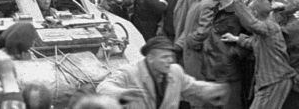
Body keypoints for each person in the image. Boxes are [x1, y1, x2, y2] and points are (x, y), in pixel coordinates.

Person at [97, 36, 228, 108]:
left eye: (171, 56)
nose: (170, 60)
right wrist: (122, 93)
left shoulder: (175, 71)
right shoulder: (130, 72)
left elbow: (190, 87)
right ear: (150, 58)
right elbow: (103, 88)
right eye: (164, 57)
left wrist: (212, 90)